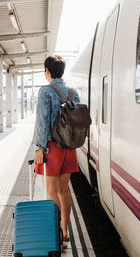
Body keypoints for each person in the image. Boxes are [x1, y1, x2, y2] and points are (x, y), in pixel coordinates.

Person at [32, 55, 80, 243]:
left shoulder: (45, 91)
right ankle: (64, 231)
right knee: (63, 191)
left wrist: (39, 147)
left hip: (52, 147)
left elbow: (42, 122)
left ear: (47, 71)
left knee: (51, 192)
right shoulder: (72, 91)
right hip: (70, 147)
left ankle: (56, 236)